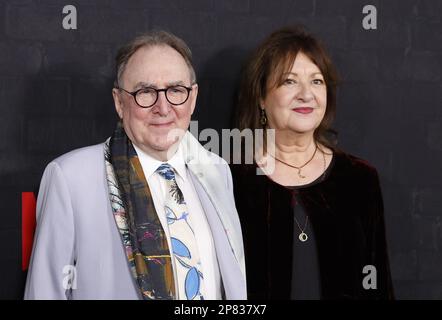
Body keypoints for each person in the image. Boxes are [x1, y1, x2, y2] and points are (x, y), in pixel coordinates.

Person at [24, 30, 246, 300]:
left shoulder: (216, 170)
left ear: (193, 97)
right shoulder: (71, 178)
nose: (163, 108)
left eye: (176, 90)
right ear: (119, 101)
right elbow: (45, 291)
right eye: (145, 92)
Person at [231, 26, 394, 299]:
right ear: (261, 98)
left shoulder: (359, 178)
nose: (306, 94)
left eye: (317, 81)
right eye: (289, 81)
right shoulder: (230, 180)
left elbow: (379, 284)